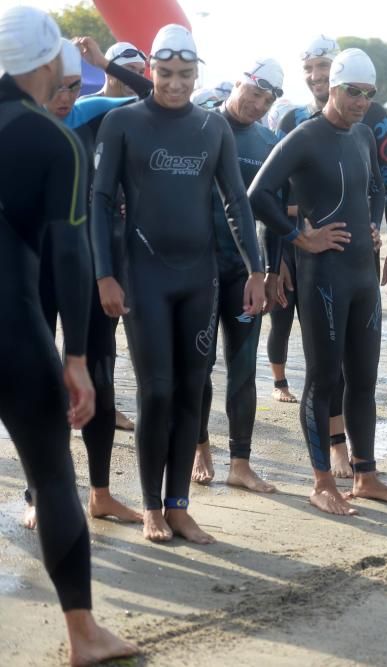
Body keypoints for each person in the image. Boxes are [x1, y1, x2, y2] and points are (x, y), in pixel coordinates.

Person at [0, 7, 139, 663]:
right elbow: (70, 256)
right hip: (12, 325)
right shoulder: (53, 140)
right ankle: (83, 635)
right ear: (45, 63)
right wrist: (77, 357)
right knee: (53, 476)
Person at [91, 24, 266, 543]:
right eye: (165, 74)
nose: (174, 84)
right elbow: (100, 202)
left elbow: (237, 200)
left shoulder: (211, 127)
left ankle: (179, 505)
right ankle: (149, 505)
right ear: (150, 71)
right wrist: (105, 274)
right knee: (158, 392)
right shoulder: (122, 122)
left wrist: (255, 269)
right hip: (143, 277)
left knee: (193, 390)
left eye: (185, 75)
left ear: (197, 74)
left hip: (200, 277)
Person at [249, 48, 387, 513]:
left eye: (369, 93)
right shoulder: (304, 136)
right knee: (323, 379)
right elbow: (258, 194)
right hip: (324, 277)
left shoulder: (362, 136)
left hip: (363, 274)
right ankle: (322, 482)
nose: (361, 101)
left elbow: (378, 186)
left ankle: (366, 475)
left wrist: (376, 224)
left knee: (363, 380)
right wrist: (298, 237)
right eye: (353, 92)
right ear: (333, 88)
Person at [27, 38, 151, 531]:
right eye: (56, 87)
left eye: (75, 86)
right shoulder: (16, 126)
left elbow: (162, 96)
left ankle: (100, 493)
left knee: (98, 379)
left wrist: (107, 66)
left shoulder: (93, 112)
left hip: (90, 270)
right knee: (40, 386)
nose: (66, 97)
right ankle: (40, 494)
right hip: (32, 274)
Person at [192, 58, 288, 494]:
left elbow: (272, 211)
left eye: (266, 99)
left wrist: (270, 269)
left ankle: (241, 462)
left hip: (245, 272)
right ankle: (200, 446)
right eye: (254, 92)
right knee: (198, 365)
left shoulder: (268, 140)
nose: (257, 103)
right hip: (195, 269)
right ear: (238, 84)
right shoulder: (200, 126)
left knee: (243, 369)